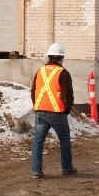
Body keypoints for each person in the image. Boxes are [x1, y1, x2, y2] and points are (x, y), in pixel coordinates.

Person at [30, 42, 77, 179]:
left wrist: (37, 105)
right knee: (64, 139)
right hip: (57, 112)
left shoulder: (40, 71)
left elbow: (33, 91)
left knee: (38, 142)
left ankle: (36, 172)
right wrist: (66, 110)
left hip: (40, 111)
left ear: (48, 56)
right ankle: (66, 168)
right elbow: (67, 95)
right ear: (61, 58)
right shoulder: (63, 73)